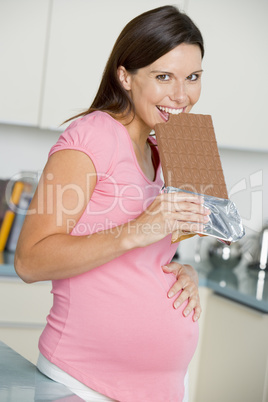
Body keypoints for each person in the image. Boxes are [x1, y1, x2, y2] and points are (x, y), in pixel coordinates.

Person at [15, 5, 210, 402]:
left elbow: (150, 260)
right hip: (85, 385)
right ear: (125, 76)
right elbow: (29, 262)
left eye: (192, 77)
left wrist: (181, 271)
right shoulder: (92, 137)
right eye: (162, 77)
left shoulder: (182, 147)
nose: (182, 95)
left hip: (166, 387)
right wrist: (134, 231)